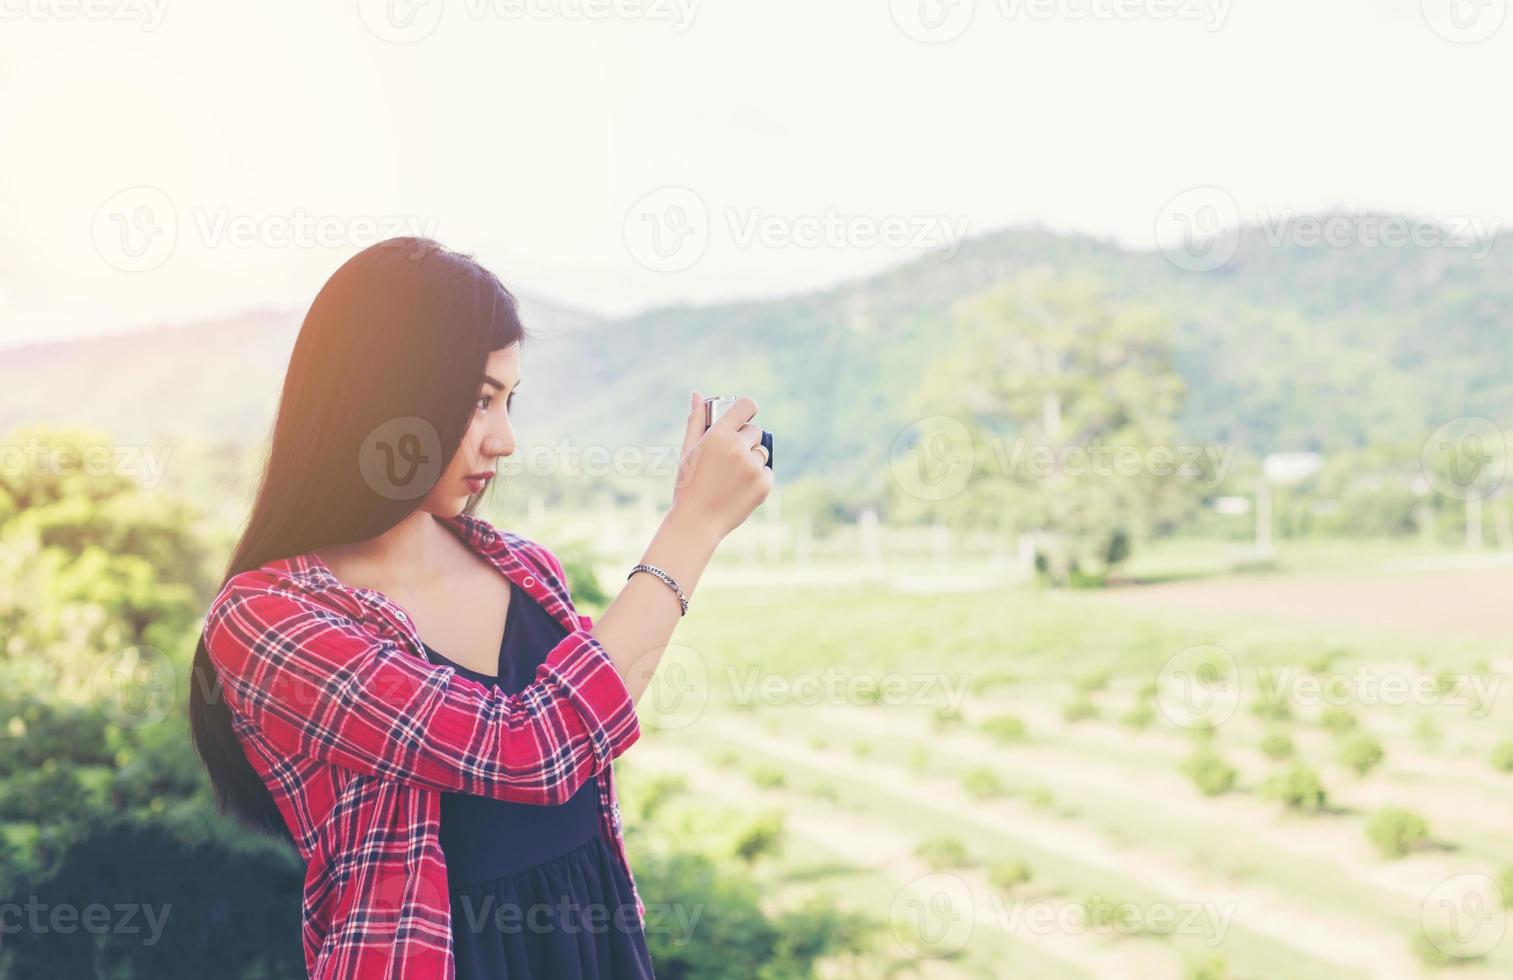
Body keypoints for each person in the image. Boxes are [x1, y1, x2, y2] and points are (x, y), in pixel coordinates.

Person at [188, 237, 772, 979]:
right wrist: (692, 526)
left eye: (508, 400)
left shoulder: (525, 568)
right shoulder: (267, 620)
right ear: (381, 400)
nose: (504, 440)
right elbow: (531, 748)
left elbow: (591, 723)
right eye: (476, 401)